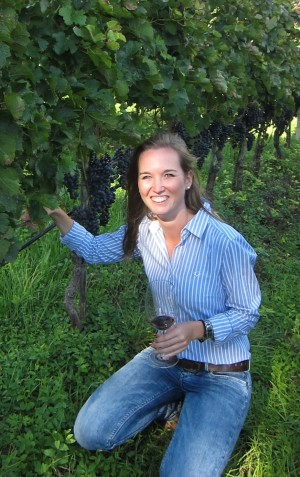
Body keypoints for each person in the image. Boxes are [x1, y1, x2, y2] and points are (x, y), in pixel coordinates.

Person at [45, 132, 261, 477]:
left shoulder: (225, 241)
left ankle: (197, 408)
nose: (156, 187)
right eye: (146, 176)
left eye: (168, 175)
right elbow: (98, 250)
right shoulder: (145, 229)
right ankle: (170, 405)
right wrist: (55, 212)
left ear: (187, 179)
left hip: (221, 374)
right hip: (166, 360)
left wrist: (198, 329)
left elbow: (248, 313)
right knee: (91, 433)